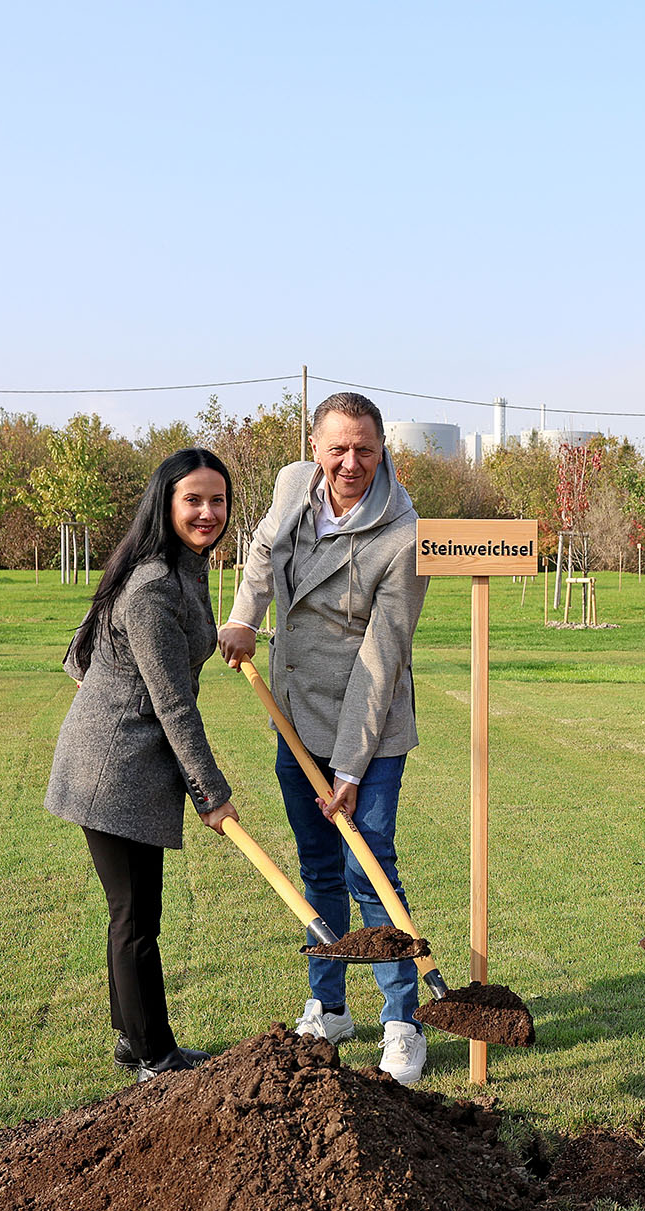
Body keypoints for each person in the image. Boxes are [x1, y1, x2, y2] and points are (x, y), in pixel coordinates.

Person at [217, 392, 431, 1084]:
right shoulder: (289, 486)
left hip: (367, 725)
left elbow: (382, 656)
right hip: (294, 713)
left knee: (369, 869)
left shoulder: (403, 534)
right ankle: (329, 1004)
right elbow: (260, 550)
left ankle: (402, 1020)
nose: (350, 462)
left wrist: (349, 765)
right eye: (337, 447)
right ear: (314, 447)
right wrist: (245, 616)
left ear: (382, 450)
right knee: (316, 870)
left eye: (364, 449)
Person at [45, 448, 237, 1083]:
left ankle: (133, 1040)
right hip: (113, 773)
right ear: (167, 503)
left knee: (130, 912)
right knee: (135, 917)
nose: (207, 511)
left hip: (120, 761)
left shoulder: (181, 569)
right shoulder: (155, 583)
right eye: (193, 500)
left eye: (217, 499)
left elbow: (79, 659)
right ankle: (157, 1057)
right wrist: (211, 793)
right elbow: (172, 701)